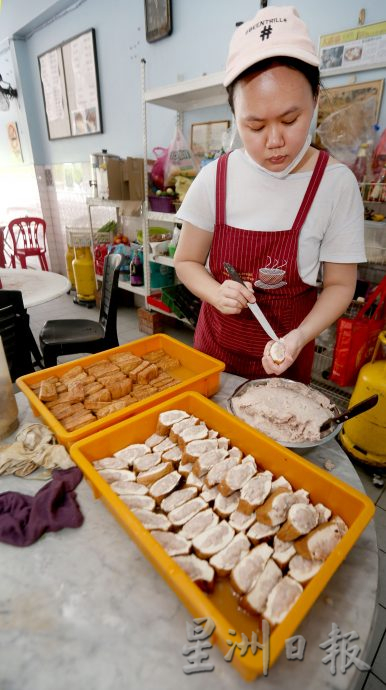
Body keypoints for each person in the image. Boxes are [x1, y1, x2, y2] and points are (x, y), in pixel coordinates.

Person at [174, 5, 366, 384]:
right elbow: (186, 262)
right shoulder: (215, 177)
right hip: (215, 357)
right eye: (255, 125)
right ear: (234, 115)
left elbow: (341, 285)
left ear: (315, 100)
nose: (275, 141)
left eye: (291, 120)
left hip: (287, 363)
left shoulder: (335, 184)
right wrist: (214, 293)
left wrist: (298, 338)